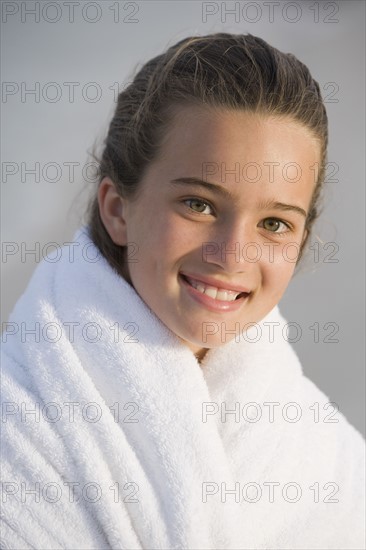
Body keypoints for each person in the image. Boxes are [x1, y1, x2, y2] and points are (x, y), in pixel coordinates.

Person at [1, 33, 365, 549]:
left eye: (275, 224)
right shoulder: (13, 431)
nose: (233, 255)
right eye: (199, 205)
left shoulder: (331, 462)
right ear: (117, 208)